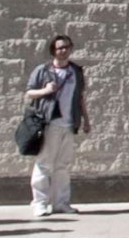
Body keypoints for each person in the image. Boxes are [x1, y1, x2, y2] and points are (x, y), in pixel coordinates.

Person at [25, 34, 93, 217]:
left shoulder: (76, 71)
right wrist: (45, 91)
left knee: (62, 165)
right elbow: (29, 93)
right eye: (59, 48)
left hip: (69, 124)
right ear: (53, 50)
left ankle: (61, 203)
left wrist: (86, 120)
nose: (63, 51)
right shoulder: (43, 70)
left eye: (66, 47)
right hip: (50, 123)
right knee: (44, 163)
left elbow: (80, 97)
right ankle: (39, 203)